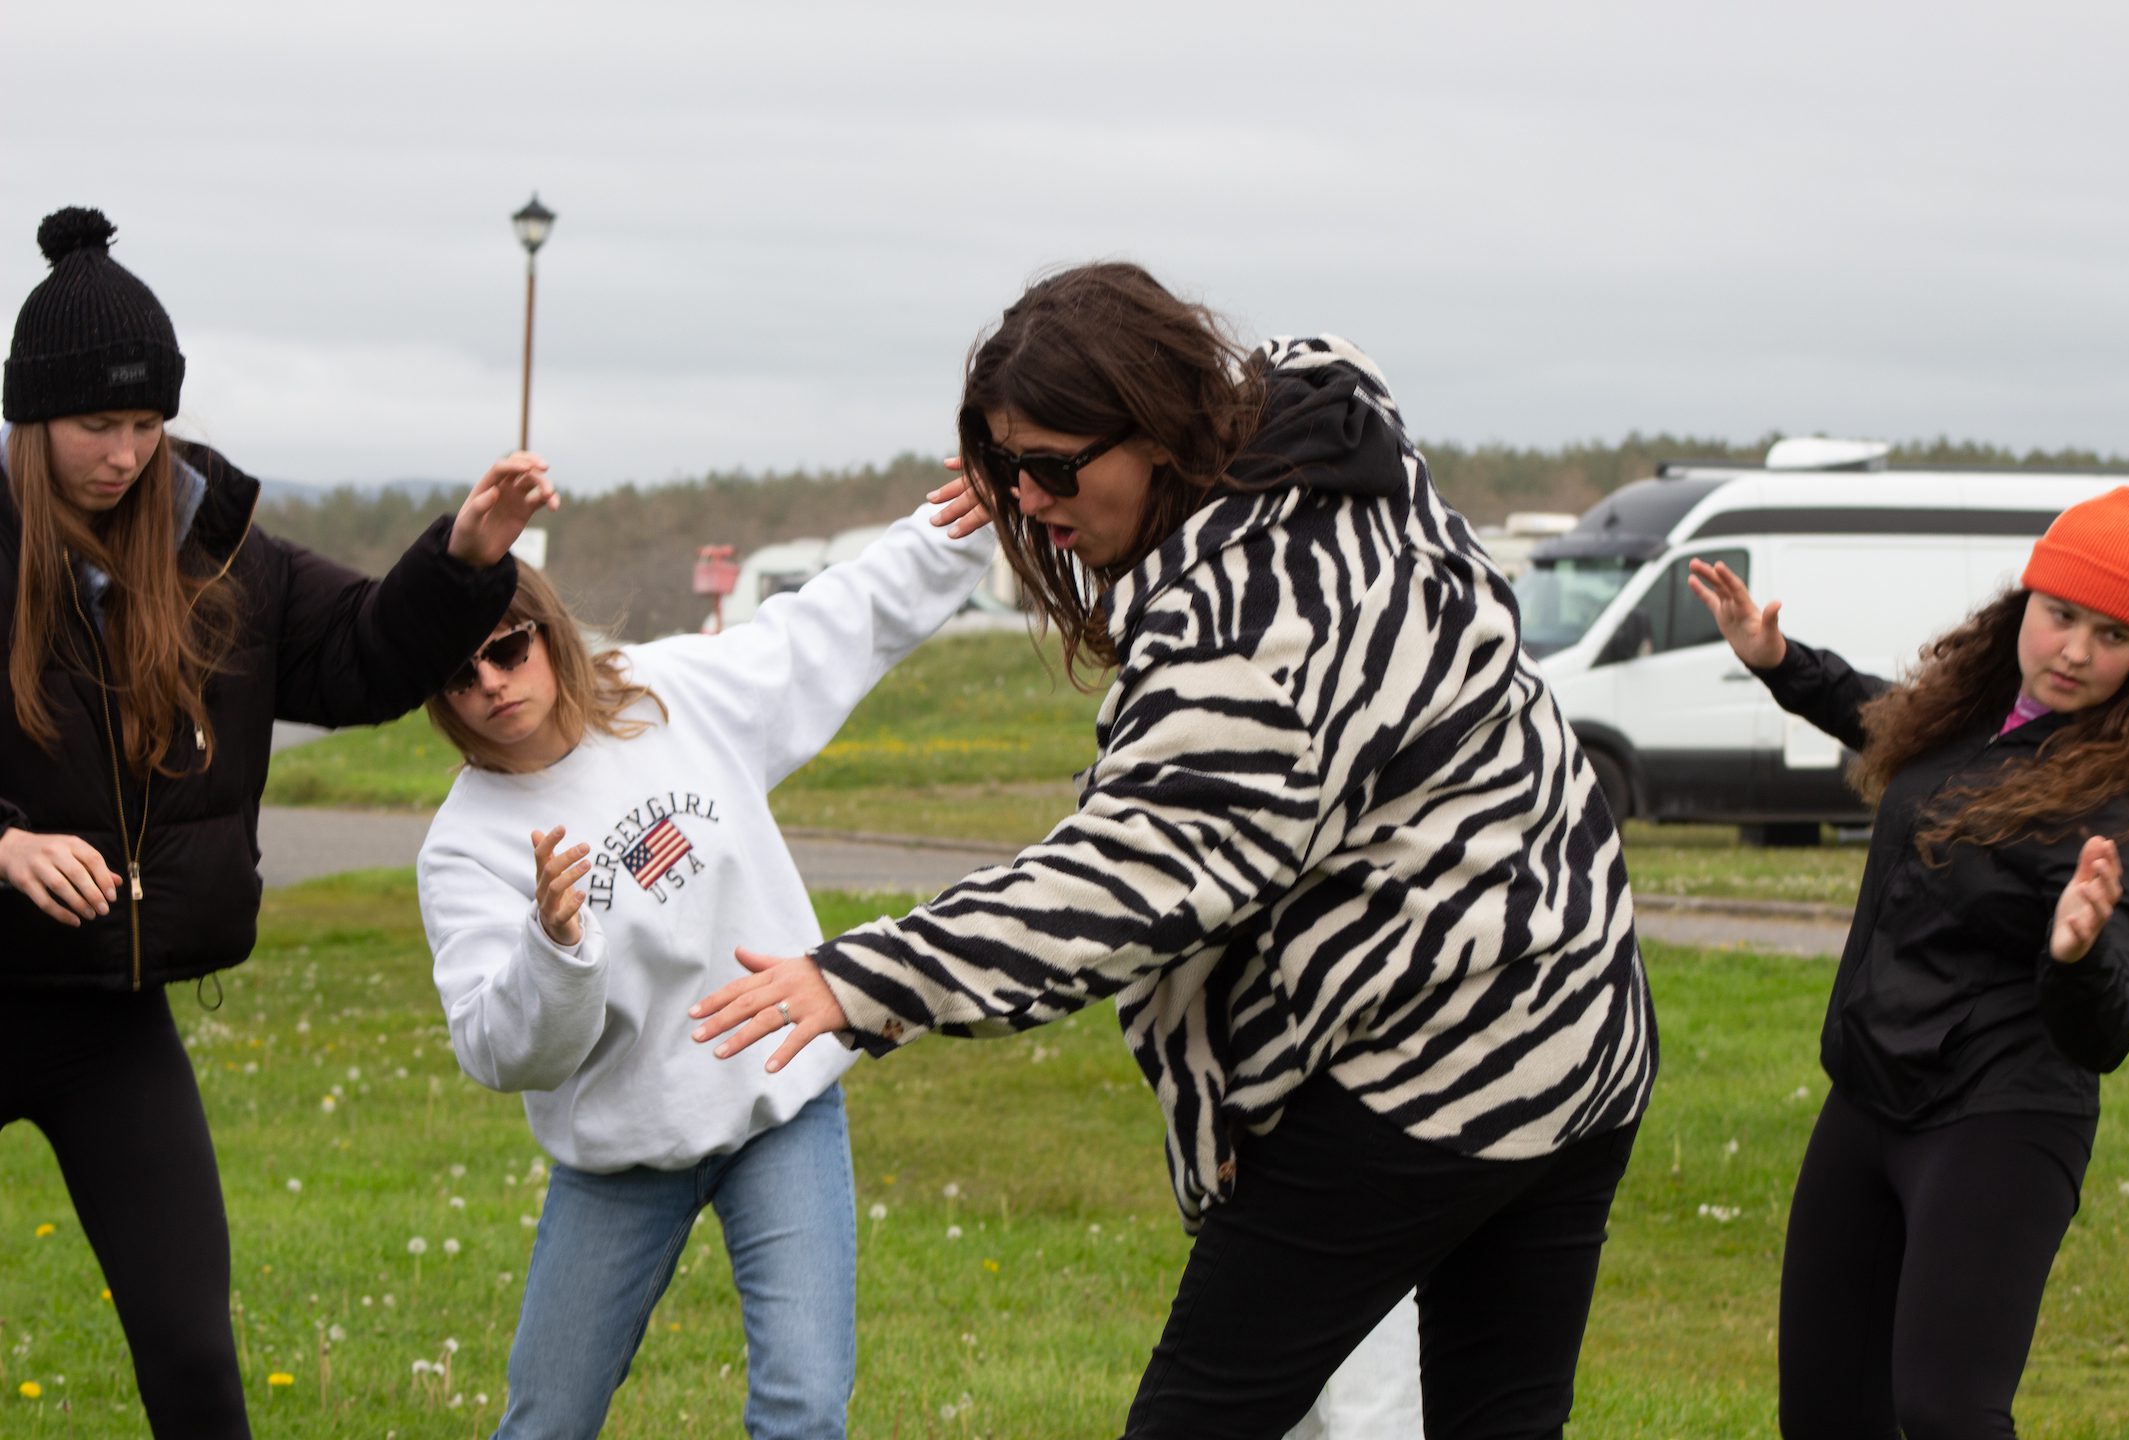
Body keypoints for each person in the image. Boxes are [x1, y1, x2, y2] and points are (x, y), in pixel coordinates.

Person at [688, 262, 1659, 1439]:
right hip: (1581, 1008)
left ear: (1158, 428)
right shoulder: (1328, 424)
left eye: (1056, 466)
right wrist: (1045, 478)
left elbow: (1125, 881)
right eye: (1007, 469)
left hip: (1431, 1061)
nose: (1032, 501)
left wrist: (864, 979)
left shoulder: (1240, 633)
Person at [0, 206, 554, 1438]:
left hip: (107, 1025)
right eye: (97, 425)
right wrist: (3, 841)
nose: (125, 455)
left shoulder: (221, 550)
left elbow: (359, 660)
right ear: (30, 418)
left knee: (196, 1363)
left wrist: (460, 561)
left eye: (148, 425)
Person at [414, 487, 994, 1439]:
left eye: (507, 647)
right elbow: (497, 1049)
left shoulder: (668, 694)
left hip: (781, 1103)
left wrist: (964, 521)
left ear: (547, 634)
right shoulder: (467, 844)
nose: (491, 683)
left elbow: (829, 628)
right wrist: (554, 950)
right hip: (622, 1151)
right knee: (545, 1423)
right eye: (457, 673)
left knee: (802, 1411)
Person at [1684, 485, 2129, 1440]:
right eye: (2062, 615)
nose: (2075, 651)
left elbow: (2109, 1025)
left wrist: (2073, 952)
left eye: (2112, 635)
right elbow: (1882, 716)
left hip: (1999, 1118)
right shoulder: (1972, 715)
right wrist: (1778, 663)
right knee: (1823, 1413)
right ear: (2024, 604)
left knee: (1946, 1413)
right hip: (1868, 1095)